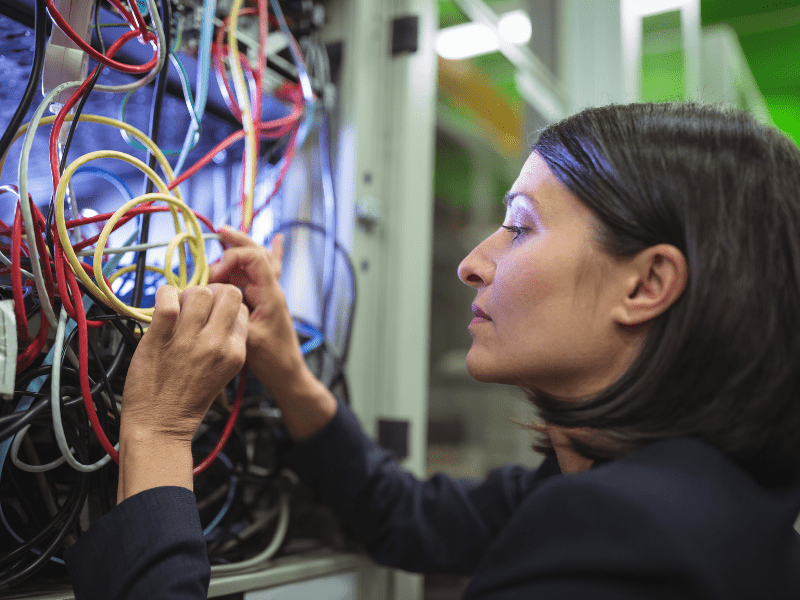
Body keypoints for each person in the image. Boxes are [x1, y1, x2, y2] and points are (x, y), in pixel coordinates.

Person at [65, 102, 800, 599]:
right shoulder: (661, 489)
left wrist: (157, 433)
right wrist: (287, 371)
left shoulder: (625, 539)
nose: (473, 263)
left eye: (520, 225)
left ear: (647, 284)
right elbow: (405, 515)